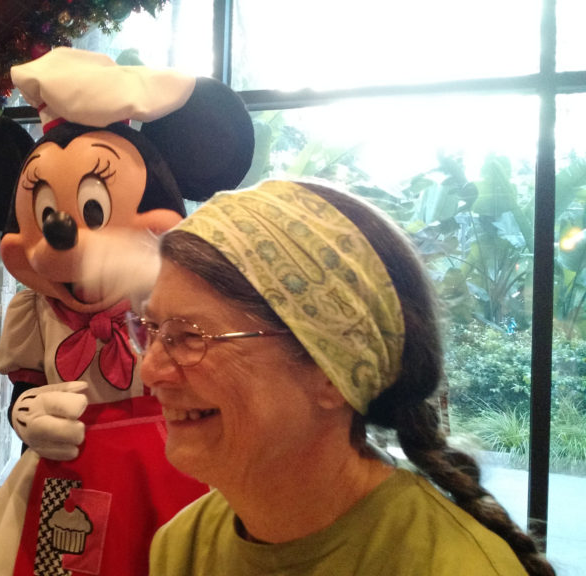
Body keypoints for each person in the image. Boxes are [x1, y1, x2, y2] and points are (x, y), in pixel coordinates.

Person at [135, 179, 554, 575]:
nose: (149, 369)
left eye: (188, 337)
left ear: (329, 370)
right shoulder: (182, 546)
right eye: (151, 330)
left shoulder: (455, 565)